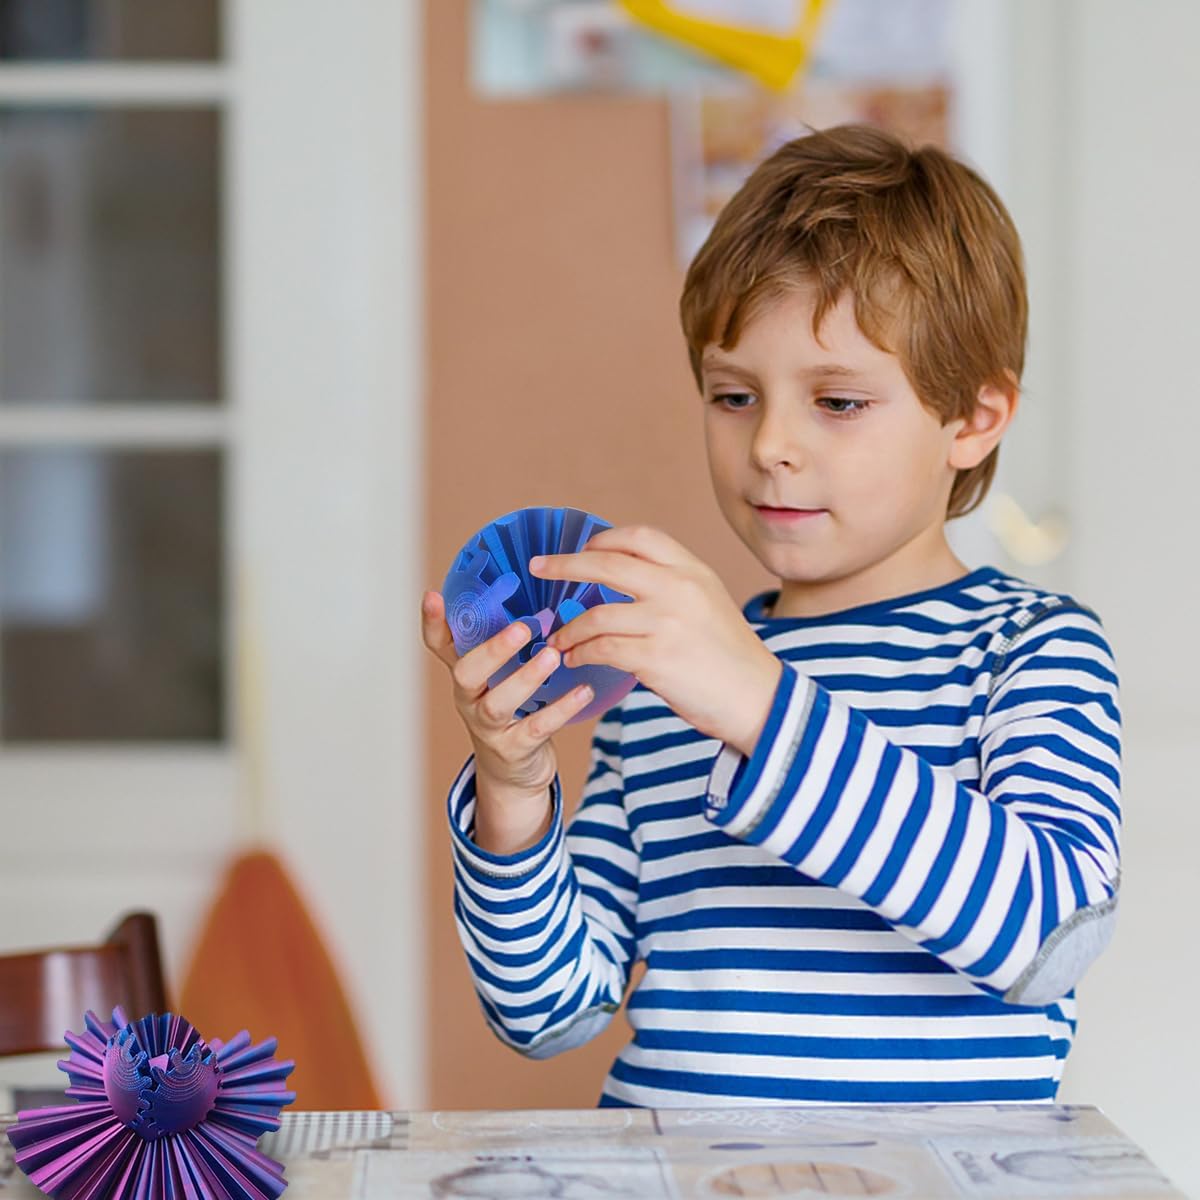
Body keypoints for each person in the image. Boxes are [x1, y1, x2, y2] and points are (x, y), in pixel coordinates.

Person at [420, 124, 1121, 1108]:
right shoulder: (659, 679)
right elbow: (551, 1012)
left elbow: (1046, 938)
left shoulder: (1031, 652)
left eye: (836, 402)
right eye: (733, 394)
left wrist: (759, 702)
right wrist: (515, 787)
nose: (772, 446)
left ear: (973, 419)